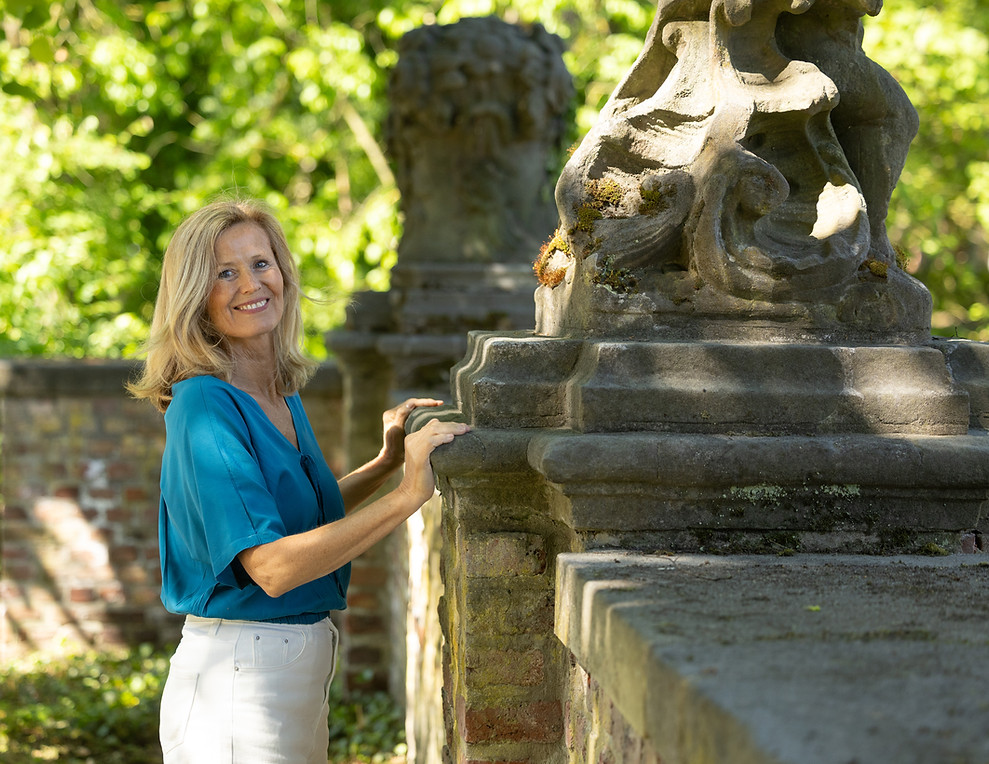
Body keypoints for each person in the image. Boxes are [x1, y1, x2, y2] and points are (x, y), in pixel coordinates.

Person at [128, 197, 470, 763]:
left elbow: (303, 518)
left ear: (283, 271)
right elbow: (272, 567)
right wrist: (410, 494)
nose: (250, 284)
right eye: (225, 273)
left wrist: (385, 465)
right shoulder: (205, 404)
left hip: (285, 672)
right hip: (238, 686)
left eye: (260, 263)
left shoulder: (277, 392)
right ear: (194, 295)